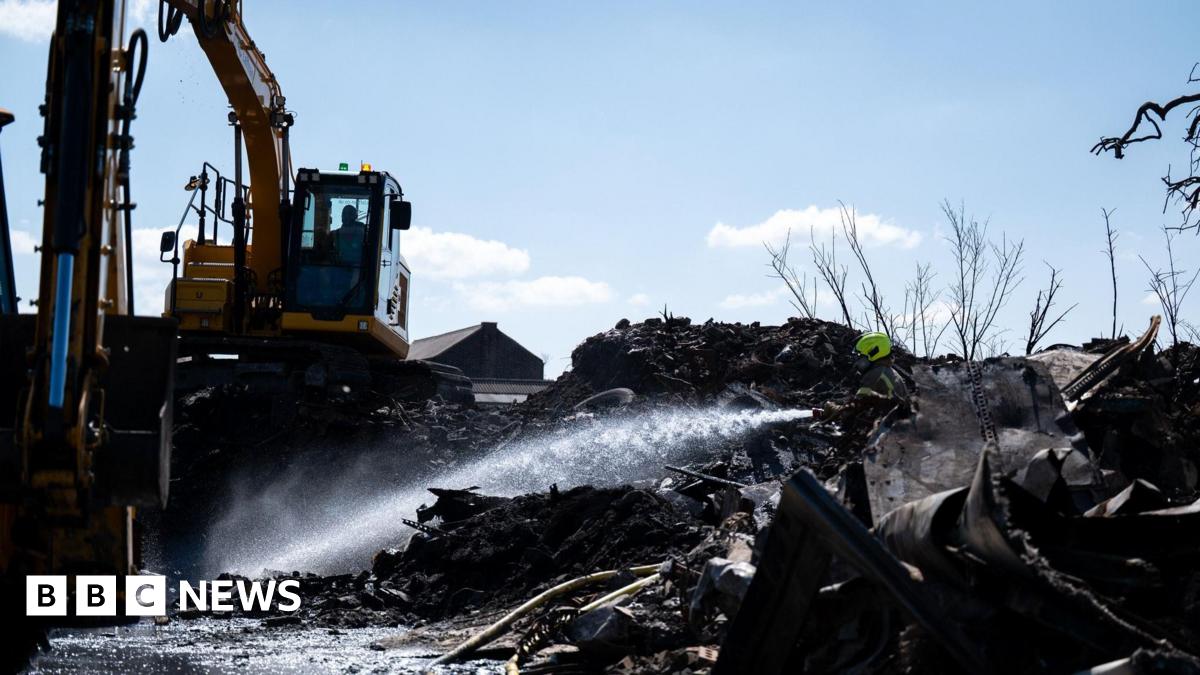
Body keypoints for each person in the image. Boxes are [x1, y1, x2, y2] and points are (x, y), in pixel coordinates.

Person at [854, 331, 909, 400]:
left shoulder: (875, 375)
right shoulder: (889, 372)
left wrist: (836, 407)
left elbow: (856, 406)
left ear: (873, 353)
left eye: (860, 357)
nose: (857, 362)